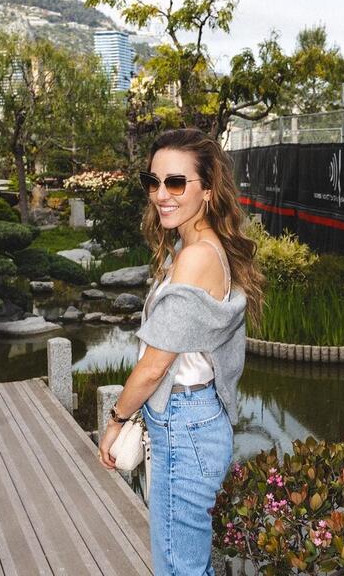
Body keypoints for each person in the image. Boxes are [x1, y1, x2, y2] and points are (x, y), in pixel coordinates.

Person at [97, 128, 265, 575]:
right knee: (187, 564)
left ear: (208, 189)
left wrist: (115, 421)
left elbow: (154, 366)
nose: (161, 194)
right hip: (189, 419)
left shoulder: (196, 257)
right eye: (152, 182)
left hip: (185, 423)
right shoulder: (190, 247)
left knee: (179, 567)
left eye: (175, 182)